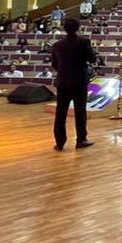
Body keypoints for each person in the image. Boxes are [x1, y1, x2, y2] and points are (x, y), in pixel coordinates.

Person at [50, 18, 97, 151]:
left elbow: (54, 64)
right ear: (78, 28)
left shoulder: (57, 45)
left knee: (60, 113)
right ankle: (81, 139)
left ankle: (59, 142)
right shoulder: (83, 42)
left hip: (63, 81)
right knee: (80, 111)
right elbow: (92, 58)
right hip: (79, 82)